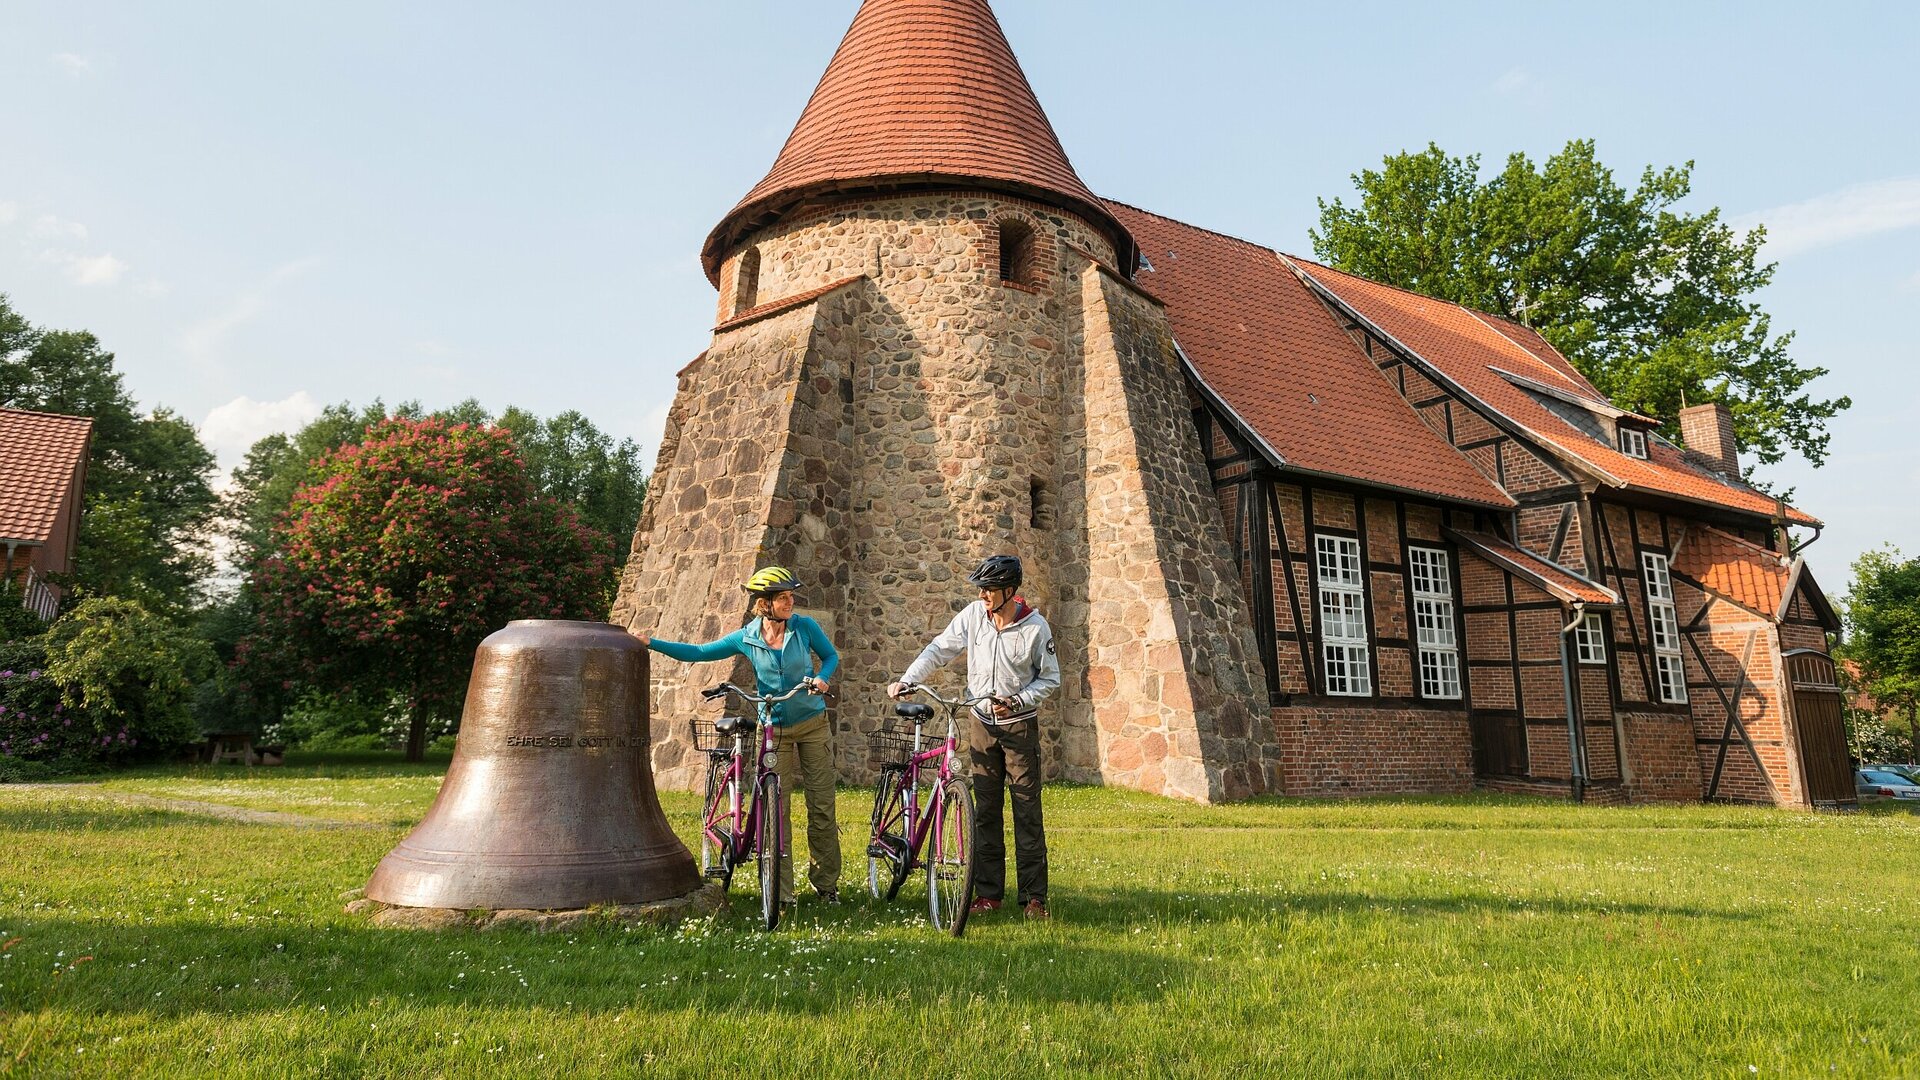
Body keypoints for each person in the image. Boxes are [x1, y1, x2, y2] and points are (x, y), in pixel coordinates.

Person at [633, 566, 843, 904]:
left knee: (821, 806)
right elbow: (699, 652)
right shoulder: (746, 638)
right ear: (765, 604)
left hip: (812, 723)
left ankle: (826, 885)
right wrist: (651, 643)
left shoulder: (804, 627)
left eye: (791, 596)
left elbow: (830, 656)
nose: (791, 601)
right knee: (777, 811)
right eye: (783, 597)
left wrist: (822, 677)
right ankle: (782, 892)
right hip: (773, 729)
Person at [888, 554, 1059, 919]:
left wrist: (1017, 700)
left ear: (1009, 591)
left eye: (989, 590)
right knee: (985, 811)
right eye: (980, 589)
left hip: (1019, 726)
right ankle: (987, 894)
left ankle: (1034, 899)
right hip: (980, 723)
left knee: (1027, 811)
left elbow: (1050, 678)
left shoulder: (1035, 627)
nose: (982, 595)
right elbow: (939, 648)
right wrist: (910, 678)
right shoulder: (972, 617)